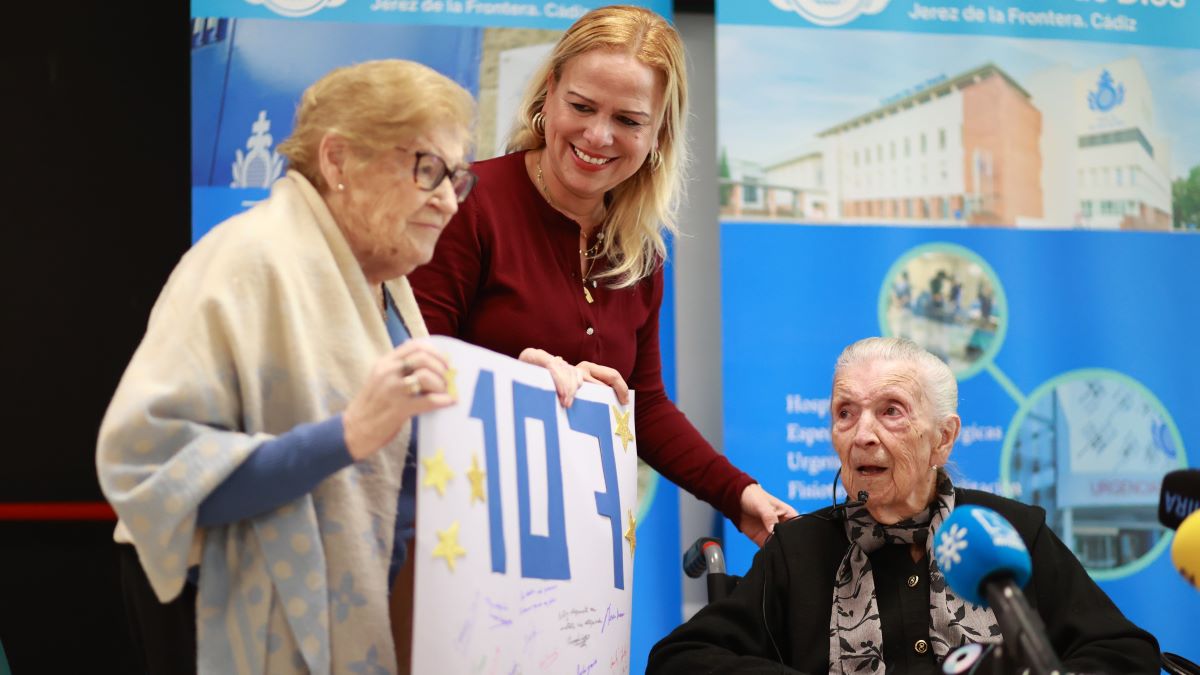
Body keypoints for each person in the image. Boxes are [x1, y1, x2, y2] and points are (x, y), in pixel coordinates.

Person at [96, 60, 476, 674]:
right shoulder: (247, 262)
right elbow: (151, 467)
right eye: (427, 168)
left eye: (457, 179)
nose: (448, 202)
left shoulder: (386, 284)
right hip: (224, 611)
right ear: (338, 161)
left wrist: (535, 386)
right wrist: (345, 435)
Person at [408, 4, 793, 545]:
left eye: (629, 121)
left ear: (659, 133)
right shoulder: (467, 204)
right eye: (582, 106)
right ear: (548, 94)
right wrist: (517, 376)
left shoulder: (641, 250)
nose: (598, 135)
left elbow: (647, 405)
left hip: (572, 547)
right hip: (458, 538)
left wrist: (739, 495)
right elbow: (410, 364)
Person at [647, 337, 1161, 674]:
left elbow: (1125, 652)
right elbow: (679, 659)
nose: (861, 435)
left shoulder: (1004, 531)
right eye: (845, 413)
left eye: (891, 411)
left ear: (943, 438)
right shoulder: (799, 550)